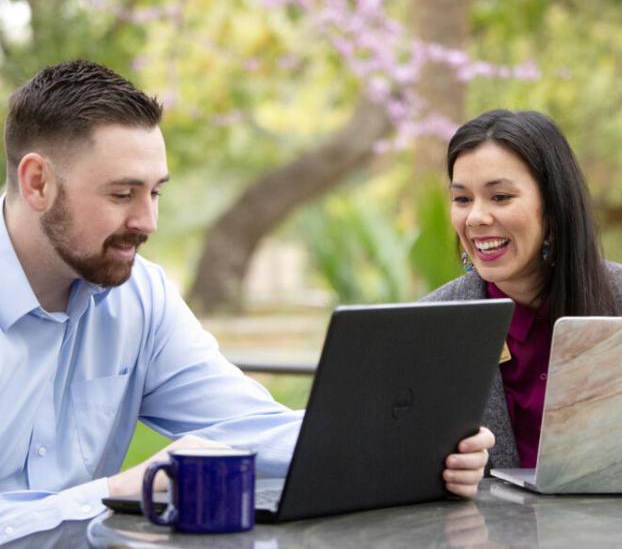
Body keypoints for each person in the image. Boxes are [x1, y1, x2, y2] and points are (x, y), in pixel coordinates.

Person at [0, 60, 491, 540]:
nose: (148, 222)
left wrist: (414, 444)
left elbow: (246, 426)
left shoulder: (139, 297)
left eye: (155, 193)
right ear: (38, 183)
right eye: (123, 193)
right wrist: (111, 491)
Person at [424, 109, 622, 473]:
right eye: (462, 199)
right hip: (482, 529)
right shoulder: (429, 325)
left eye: (499, 197)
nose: (476, 218)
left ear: (553, 205)